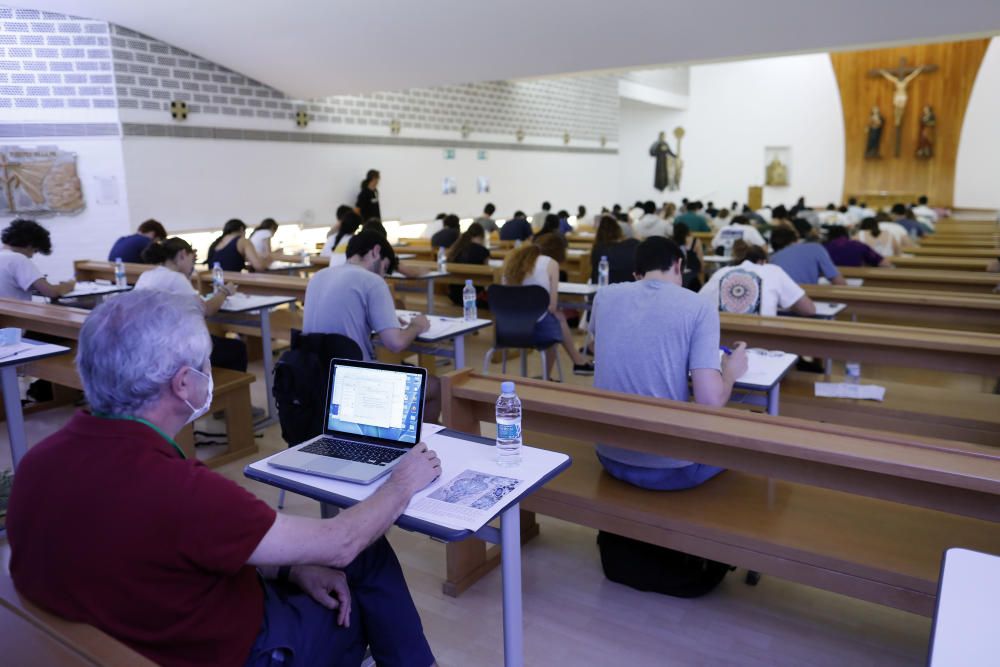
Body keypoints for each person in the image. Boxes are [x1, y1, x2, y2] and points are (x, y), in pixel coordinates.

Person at [6, 289, 440, 667]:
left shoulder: (38, 462)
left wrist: (289, 570)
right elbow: (342, 542)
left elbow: (164, 553)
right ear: (183, 383)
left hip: (113, 637)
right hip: (243, 650)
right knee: (367, 557)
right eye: (204, 365)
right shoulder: (179, 489)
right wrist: (401, 483)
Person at [589, 236, 748, 489]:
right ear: (678, 265)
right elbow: (710, 401)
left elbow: (596, 347)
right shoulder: (698, 306)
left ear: (638, 273)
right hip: (672, 469)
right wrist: (730, 372)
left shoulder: (604, 296)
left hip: (608, 455)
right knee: (748, 438)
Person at [303, 231, 442, 419]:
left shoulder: (319, 277)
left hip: (314, 378)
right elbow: (395, 343)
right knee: (435, 387)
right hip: (354, 383)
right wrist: (417, 325)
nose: (383, 275)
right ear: (376, 251)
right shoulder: (372, 280)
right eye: (384, 267)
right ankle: (419, 447)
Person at [135, 237, 249, 373]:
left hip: (149, 346)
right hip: (174, 349)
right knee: (238, 348)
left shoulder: (146, 275)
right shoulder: (175, 278)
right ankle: (220, 390)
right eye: (192, 260)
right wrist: (224, 292)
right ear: (183, 254)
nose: (192, 267)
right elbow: (207, 310)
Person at [502, 236, 594, 377]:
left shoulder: (513, 261)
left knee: (557, 319)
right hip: (536, 330)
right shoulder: (551, 264)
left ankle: (575, 363)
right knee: (557, 318)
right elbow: (551, 306)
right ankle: (563, 368)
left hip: (508, 328)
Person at [700, 242, 816, 316]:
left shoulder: (720, 273)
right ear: (763, 261)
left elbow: (697, 306)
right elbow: (809, 309)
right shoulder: (772, 270)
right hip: (762, 344)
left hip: (720, 344)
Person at [0, 218, 75, 300]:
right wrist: (70, 285)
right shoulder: (18, 259)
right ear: (30, 245)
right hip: (14, 311)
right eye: (35, 251)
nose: (31, 257)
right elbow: (51, 292)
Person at [769, 226, 845, 285]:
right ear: (796, 239)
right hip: (810, 296)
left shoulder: (771, 259)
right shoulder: (815, 248)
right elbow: (839, 282)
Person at [446, 222, 490, 305]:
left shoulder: (456, 249)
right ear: (482, 236)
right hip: (473, 297)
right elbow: (487, 274)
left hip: (454, 295)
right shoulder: (483, 251)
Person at [590, 215, 640, 285]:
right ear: (619, 230)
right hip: (630, 290)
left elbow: (595, 276)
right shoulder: (634, 245)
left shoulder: (598, 249)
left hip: (605, 289)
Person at [824, 225, 890, 267]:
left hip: (829, 282)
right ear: (846, 234)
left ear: (829, 236)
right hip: (857, 281)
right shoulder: (858, 245)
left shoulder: (824, 247)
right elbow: (883, 262)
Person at [672, 222, 703, 291]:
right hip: (693, 272)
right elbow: (700, 259)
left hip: (676, 273)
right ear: (687, 230)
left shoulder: (671, 242)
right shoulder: (695, 241)